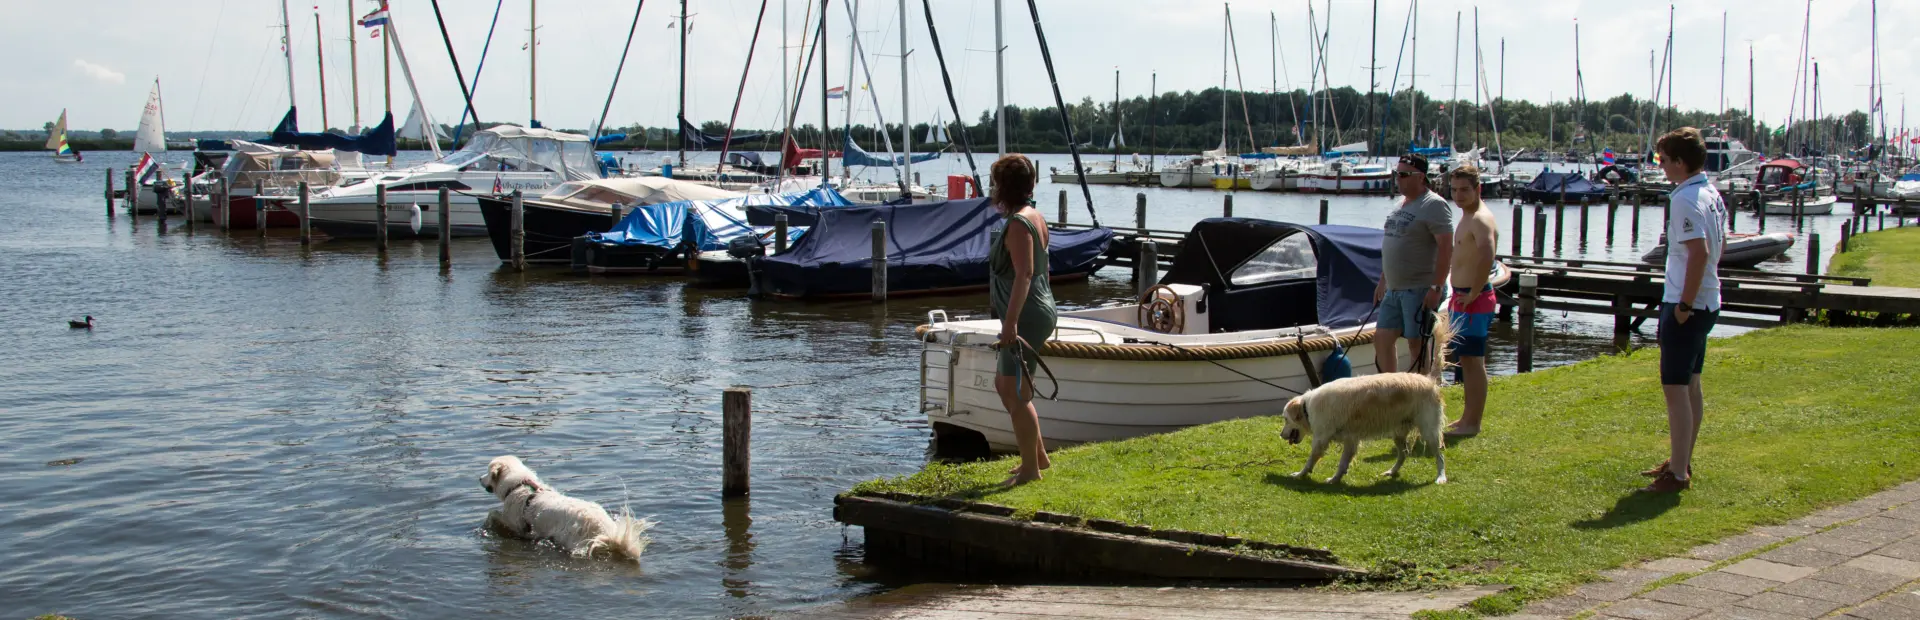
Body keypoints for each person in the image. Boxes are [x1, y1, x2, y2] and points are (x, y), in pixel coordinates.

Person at [1643, 127, 1726, 494]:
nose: (1659, 165)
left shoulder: (1685, 199)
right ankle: (1681, 460)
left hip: (1687, 303)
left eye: (1662, 159)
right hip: (1707, 300)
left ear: (1679, 161)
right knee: (1691, 384)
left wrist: (1684, 305)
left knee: (1675, 389)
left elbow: (1700, 253)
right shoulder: (1710, 193)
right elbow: (1716, 247)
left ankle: (1677, 475)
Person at [988, 154, 1058, 486]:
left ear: (1005, 187)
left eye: (995, 183)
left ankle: (1031, 470)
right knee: (1007, 386)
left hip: (1026, 315)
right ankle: (1037, 456)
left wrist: (1010, 323)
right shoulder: (1034, 216)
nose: (993, 189)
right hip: (1033, 310)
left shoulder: (1019, 224)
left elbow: (1025, 274)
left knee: (1016, 392)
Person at [1374, 153, 1455, 375]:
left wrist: (1436, 287)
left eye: (1403, 174)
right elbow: (1393, 244)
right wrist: (1383, 281)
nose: (1397, 178)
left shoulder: (1434, 205)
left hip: (1419, 287)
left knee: (1416, 343)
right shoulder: (1400, 205)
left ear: (1420, 177)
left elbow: (1446, 248)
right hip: (1394, 288)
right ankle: (1391, 387)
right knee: (1382, 338)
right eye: (1396, 173)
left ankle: (1421, 389)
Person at [1445, 164, 1498, 436]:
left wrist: (1475, 292)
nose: (1458, 195)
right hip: (1463, 297)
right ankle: (1467, 417)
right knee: (1466, 360)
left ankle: (1472, 423)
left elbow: (1487, 254)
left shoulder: (1480, 218)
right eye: (1454, 190)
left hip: (1473, 299)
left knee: (1473, 362)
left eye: (1464, 190)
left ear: (1478, 188)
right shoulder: (1467, 216)